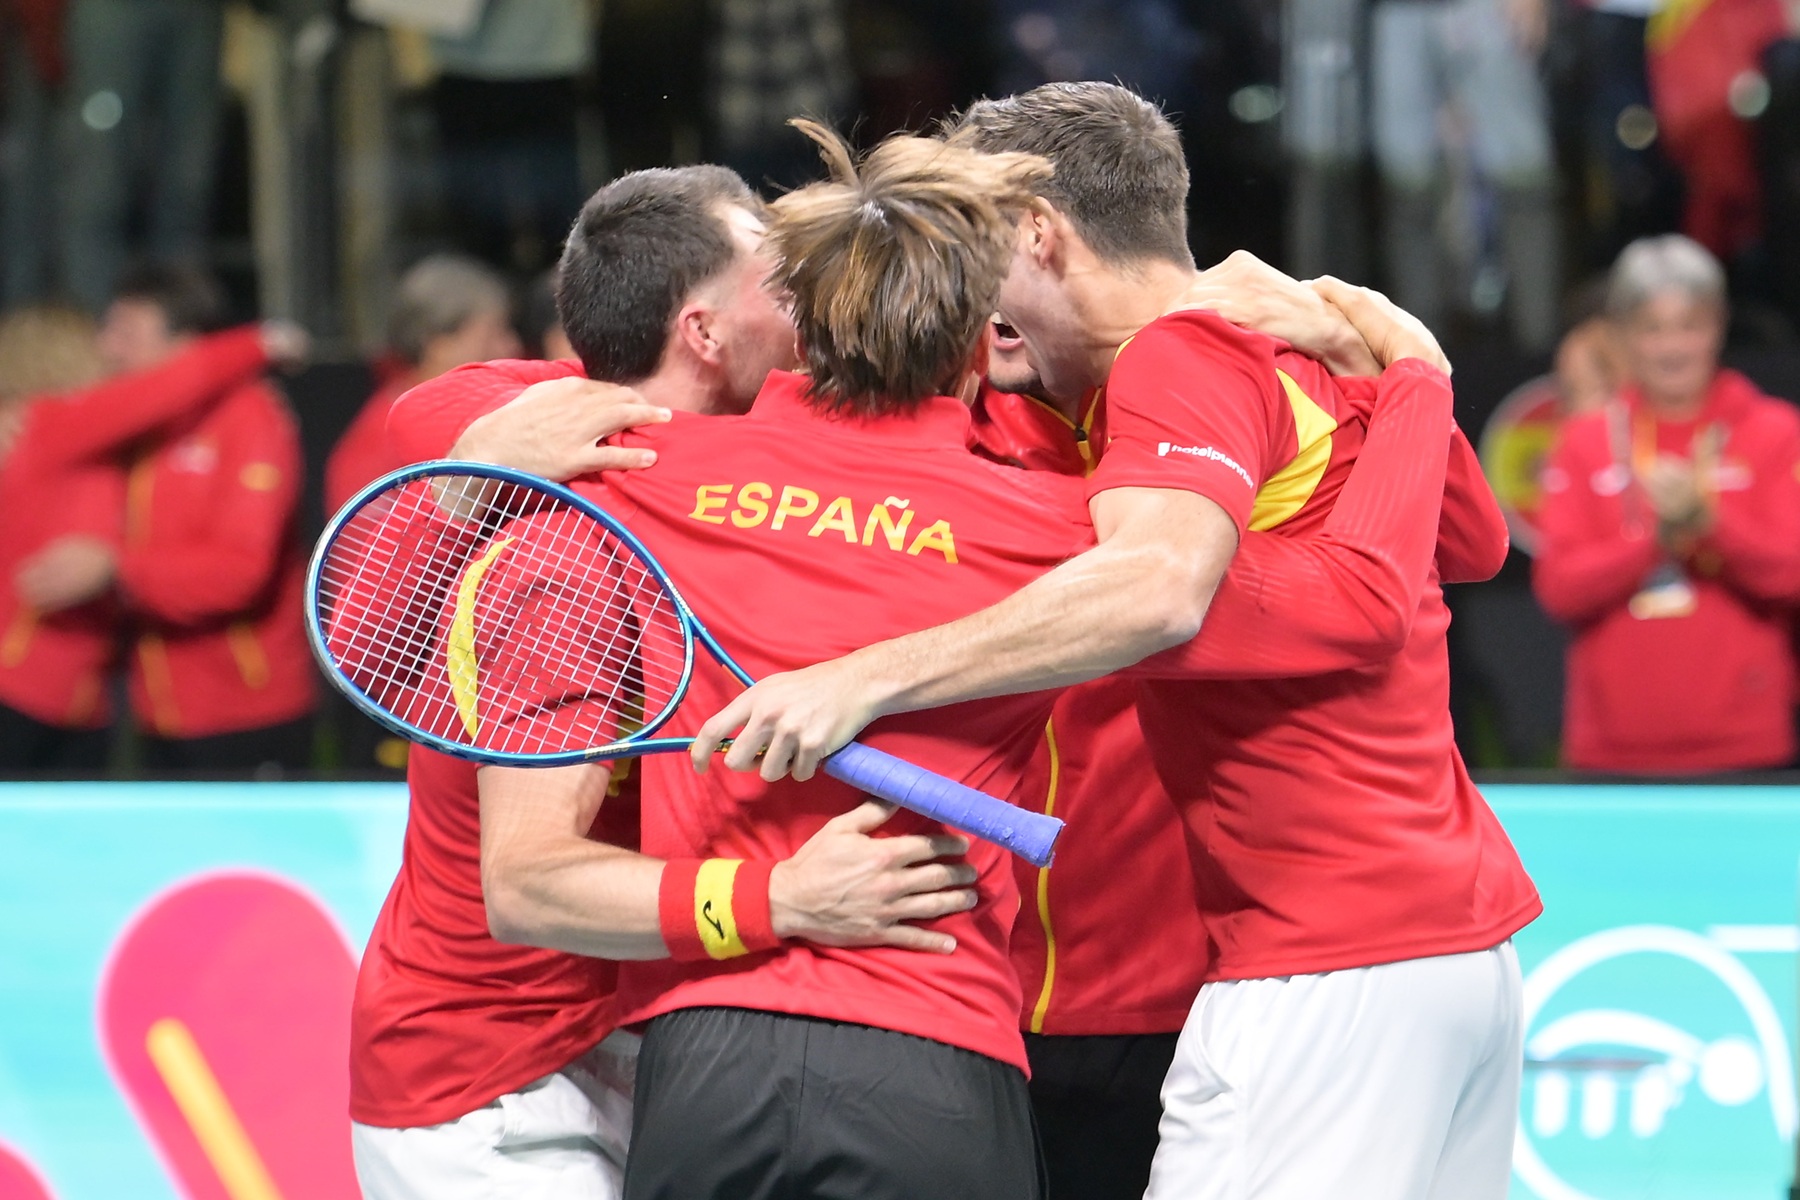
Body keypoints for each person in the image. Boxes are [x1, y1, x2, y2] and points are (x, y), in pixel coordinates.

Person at [697, 82, 1539, 1200]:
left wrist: (860, 679)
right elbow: (1465, 546)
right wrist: (1399, 368)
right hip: (1427, 951)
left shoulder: (1185, 364)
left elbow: (1290, 593)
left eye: (977, 238)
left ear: (1038, 233)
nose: (962, 282)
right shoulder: (1247, 361)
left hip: (1299, 968)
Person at [346, 164, 984, 1200]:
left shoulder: (714, 493)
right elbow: (525, 886)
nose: (812, 301)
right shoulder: (566, 552)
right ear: (703, 331)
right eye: (782, 283)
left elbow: (442, 400)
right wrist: (783, 899)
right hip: (499, 1089)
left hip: (649, 1048)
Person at [1534, 235, 1800, 772]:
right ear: (1623, 336)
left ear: (1718, 326)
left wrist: (1708, 523)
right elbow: (1559, 589)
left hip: (1747, 747)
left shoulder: (1775, 431)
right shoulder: (1585, 441)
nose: (1672, 347)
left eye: (1689, 326)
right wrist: (1655, 542)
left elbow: (1793, 572)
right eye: (1652, 329)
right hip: (1611, 752)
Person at [95, 264, 314, 772]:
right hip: (157, 709)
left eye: (127, 333)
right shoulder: (133, 425)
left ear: (189, 346)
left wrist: (116, 571)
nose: (109, 348)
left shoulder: (250, 416)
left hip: (246, 711)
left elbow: (240, 571)